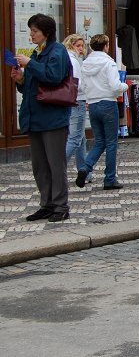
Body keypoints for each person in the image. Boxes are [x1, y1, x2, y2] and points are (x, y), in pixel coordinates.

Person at [11, 14, 72, 222]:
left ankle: (61, 206)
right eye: (30, 31)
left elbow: (53, 76)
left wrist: (30, 65)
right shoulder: (38, 53)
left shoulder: (58, 51)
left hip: (53, 119)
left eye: (35, 31)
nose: (31, 35)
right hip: (35, 118)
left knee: (56, 165)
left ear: (46, 32)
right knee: (39, 167)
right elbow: (32, 86)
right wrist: (20, 80)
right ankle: (46, 204)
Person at [76, 34, 128, 190]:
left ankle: (85, 168)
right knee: (112, 143)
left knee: (99, 142)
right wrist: (124, 86)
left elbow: (83, 87)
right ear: (106, 46)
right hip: (108, 103)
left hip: (92, 105)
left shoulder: (85, 64)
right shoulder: (108, 63)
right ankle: (110, 179)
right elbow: (115, 86)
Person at [62, 33, 91, 183]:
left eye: (82, 46)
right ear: (70, 45)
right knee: (75, 138)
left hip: (70, 101)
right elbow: (77, 84)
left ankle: (84, 171)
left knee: (81, 138)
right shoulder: (73, 61)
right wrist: (88, 89)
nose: (81, 49)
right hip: (77, 100)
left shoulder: (67, 58)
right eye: (78, 45)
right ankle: (57, 168)